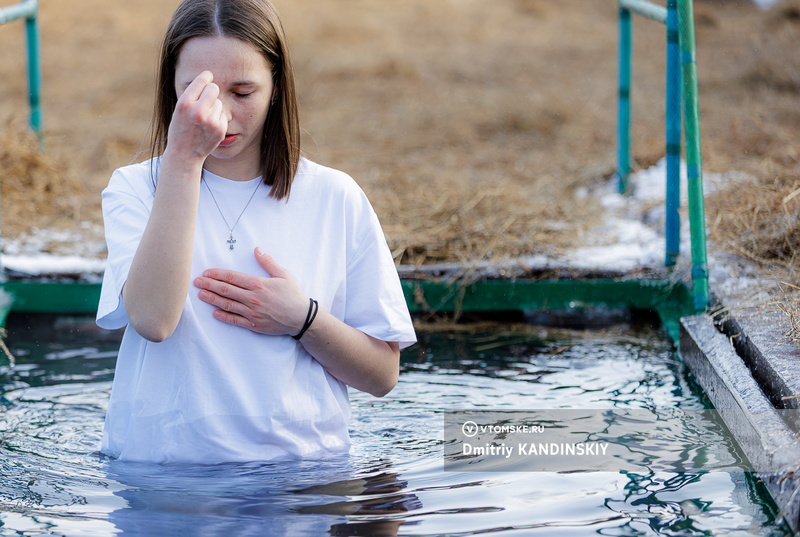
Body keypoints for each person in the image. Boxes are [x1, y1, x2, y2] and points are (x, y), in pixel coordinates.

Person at [96, 0, 416, 464]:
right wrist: (183, 162)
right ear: (172, 88)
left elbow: (382, 375)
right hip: (164, 479)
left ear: (276, 89)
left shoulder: (334, 196)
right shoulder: (135, 187)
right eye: (199, 91)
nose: (219, 114)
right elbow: (152, 320)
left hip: (303, 478)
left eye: (243, 92)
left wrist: (304, 320)